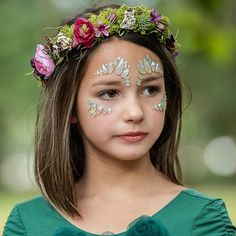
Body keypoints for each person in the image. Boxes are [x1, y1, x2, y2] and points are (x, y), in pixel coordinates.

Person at [3, 3, 236, 236]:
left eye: (151, 89)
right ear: (70, 107)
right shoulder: (27, 224)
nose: (135, 113)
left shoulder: (204, 219)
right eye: (109, 93)